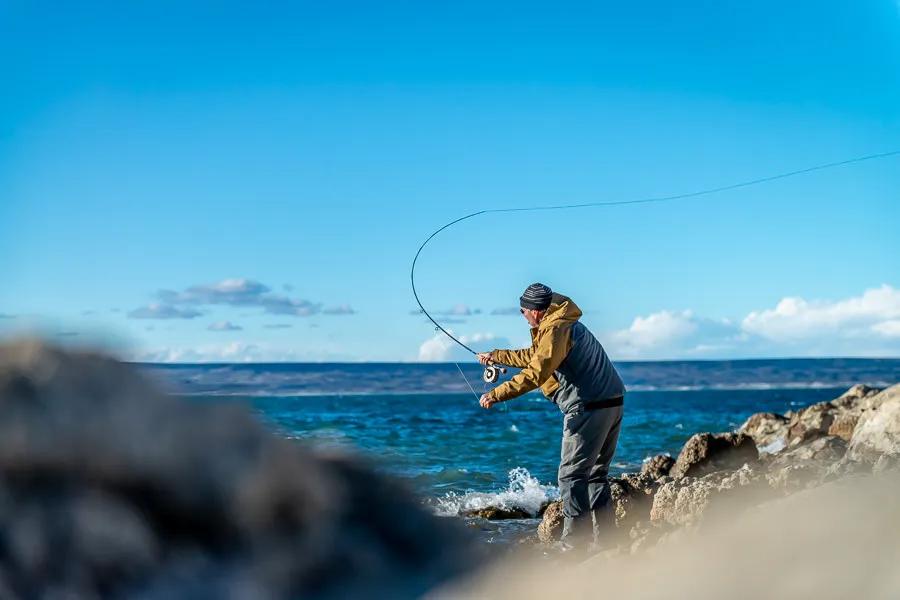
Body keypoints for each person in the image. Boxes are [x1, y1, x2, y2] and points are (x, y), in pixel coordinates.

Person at [476, 283, 625, 550]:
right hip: (612, 402)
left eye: (522, 311)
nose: (522, 316)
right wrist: (496, 356)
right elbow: (536, 356)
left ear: (535, 311)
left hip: (587, 408)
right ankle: (609, 543)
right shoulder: (562, 322)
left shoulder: (556, 330)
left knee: (570, 476)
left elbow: (537, 373)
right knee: (595, 475)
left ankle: (574, 547)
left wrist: (496, 394)